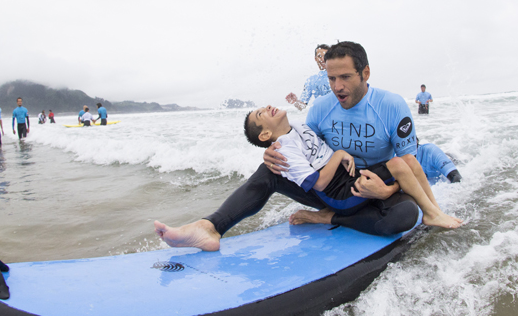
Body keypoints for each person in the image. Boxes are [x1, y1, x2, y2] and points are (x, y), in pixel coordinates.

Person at [155, 41, 450, 252]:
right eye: (332, 78)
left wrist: (386, 191)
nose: (337, 87)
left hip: (379, 188)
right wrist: (272, 151)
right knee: (269, 169)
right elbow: (306, 149)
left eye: (345, 77)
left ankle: (328, 218)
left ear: (366, 73)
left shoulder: (391, 105)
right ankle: (210, 227)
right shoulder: (321, 108)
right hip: (335, 188)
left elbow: (408, 164)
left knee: (405, 217)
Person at [242, 105, 461, 228]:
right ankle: (431, 214)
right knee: (397, 165)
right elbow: (318, 184)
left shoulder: (298, 126)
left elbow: (317, 115)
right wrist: (338, 155)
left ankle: (435, 211)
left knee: (409, 162)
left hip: (349, 177)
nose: (268, 107)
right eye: (261, 113)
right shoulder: (284, 151)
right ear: (265, 134)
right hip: (338, 193)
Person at [286, 44, 331, 111]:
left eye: (325, 56)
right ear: (315, 58)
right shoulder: (311, 80)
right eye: (319, 56)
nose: (322, 59)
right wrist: (295, 102)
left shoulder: (339, 75)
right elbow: (302, 106)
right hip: (322, 117)